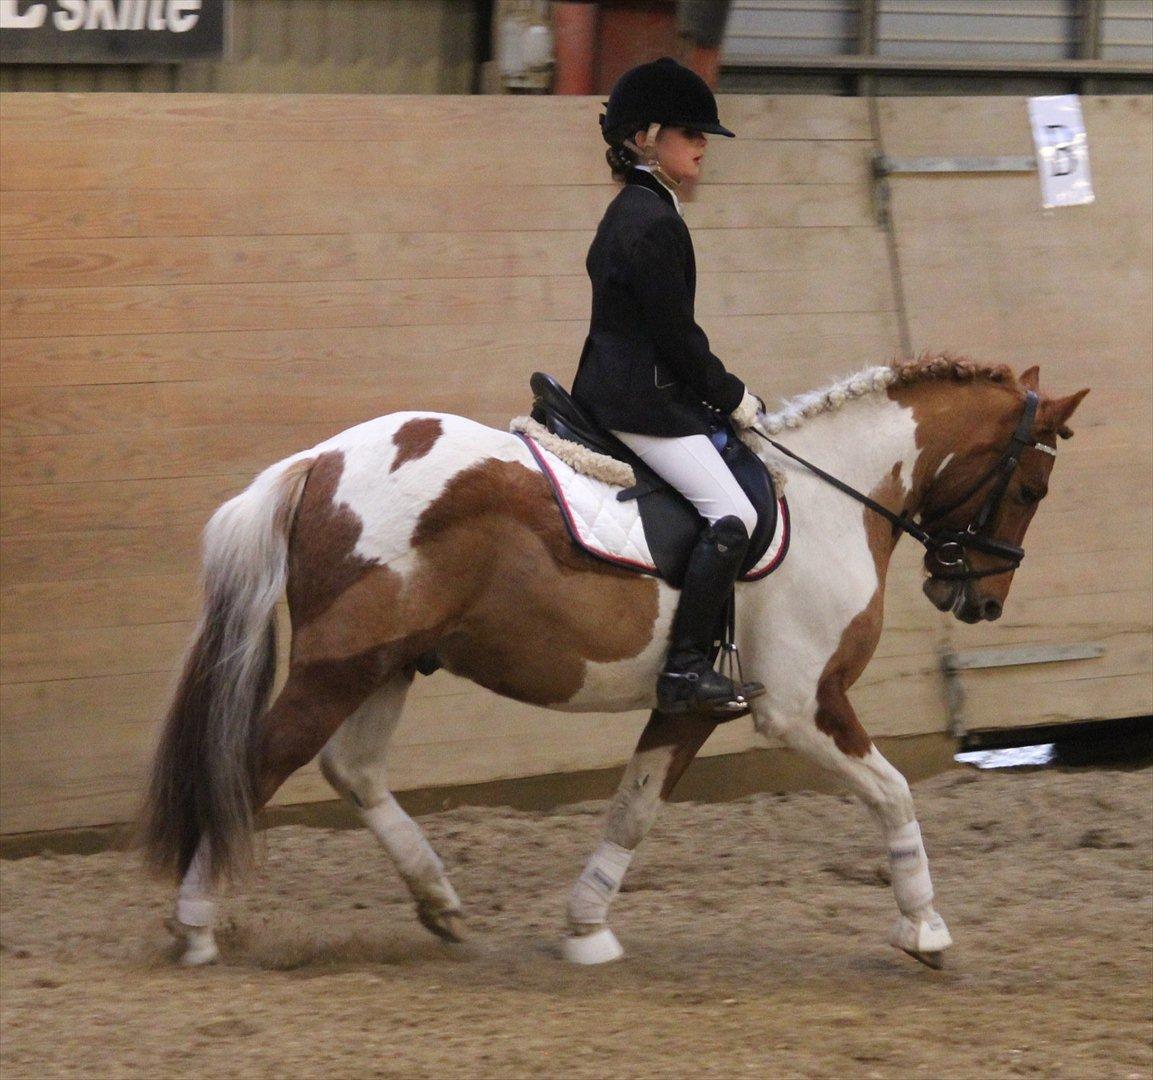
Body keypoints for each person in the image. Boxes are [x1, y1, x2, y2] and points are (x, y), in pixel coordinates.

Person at [571, 57, 765, 717]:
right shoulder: (655, 222)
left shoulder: (634, 210)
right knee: (733, 513)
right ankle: (683, 669)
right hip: (637, 401)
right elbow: (677, 338)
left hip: (621, 386)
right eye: (690, 133)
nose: (702, 144)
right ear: (647, 136)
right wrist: (734, 397)